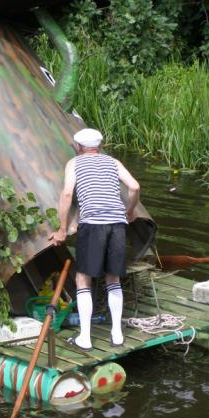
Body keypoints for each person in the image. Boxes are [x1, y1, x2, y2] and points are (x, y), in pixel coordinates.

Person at [49, 128, 140, 350]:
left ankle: (85, 338)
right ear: (98, 147)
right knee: (113, 279)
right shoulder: (113, 162)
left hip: (94, 225)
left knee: (83, 279)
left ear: (79, 147)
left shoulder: (74, 163)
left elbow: (67, 194)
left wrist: (62, 230)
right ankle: (117, 335)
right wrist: (129, 211)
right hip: (117, 224)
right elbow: (134, 186)